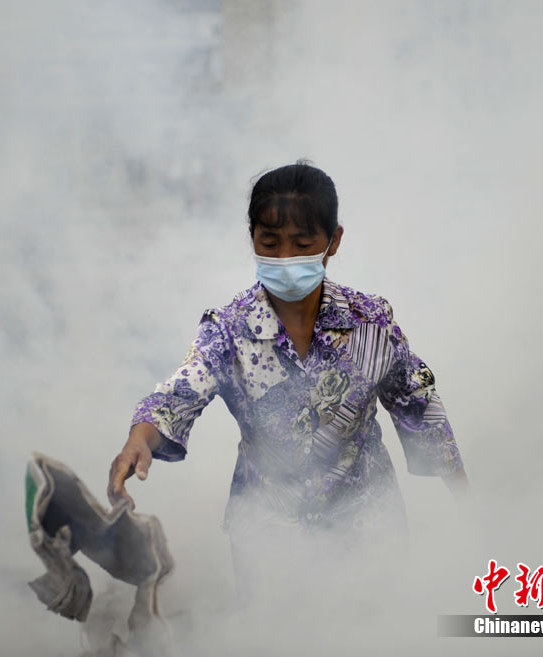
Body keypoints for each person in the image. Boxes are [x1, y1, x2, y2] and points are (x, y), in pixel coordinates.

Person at [107, 162, 469, 600]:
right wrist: (139, 440)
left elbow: (419, 404)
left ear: (333, 241)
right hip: (269, 542)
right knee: (274, 633)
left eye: (301, 244)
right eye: (270, 243)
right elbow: (179, 392)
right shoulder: (230, 330)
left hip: (368, 532)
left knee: (377, 631)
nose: (284, 259)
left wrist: (469, 506)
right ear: (252, 239)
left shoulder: (369, 322)